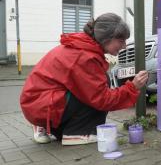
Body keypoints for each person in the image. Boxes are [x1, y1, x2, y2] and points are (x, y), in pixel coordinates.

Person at [20, 13, 148, 145]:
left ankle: (49, 126)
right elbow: (102, 99)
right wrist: (133, 87)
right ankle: (77, 133)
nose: (124, 46)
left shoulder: (84, 46)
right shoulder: (84, 56)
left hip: (39, 102)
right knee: (96, 93)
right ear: (106, 39)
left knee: (101, 81)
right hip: (41, 106)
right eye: (121, 41)